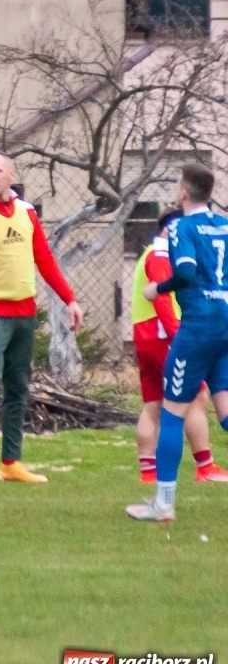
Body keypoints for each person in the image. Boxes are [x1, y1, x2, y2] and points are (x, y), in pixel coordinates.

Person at [0, 152, 83, 485]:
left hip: (24, 313)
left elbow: (44, 259)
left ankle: (10, 463)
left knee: (18, 388)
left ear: (11, 175)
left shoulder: (27, 213)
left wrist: (70, 299)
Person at [129, 164, 228, 522]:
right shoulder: (224, 225)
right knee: (225, 412)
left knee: (172, 413)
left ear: (184, 192)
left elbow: (185, 272)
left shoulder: (180, 227)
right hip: (225, 320)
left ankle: (163, 505)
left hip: (198, 325)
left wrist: (159, 288)